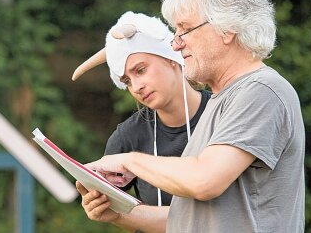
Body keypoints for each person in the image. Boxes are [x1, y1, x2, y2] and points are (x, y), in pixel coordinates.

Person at [77, 0, 305, 233]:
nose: (175, 44)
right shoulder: (223, 100)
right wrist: (114, 213)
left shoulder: (262, 90)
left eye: (185, 28)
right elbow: (184, 219)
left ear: (227, 28)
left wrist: (129, 161)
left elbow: (204, 181)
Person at [72, 11, 210, 207]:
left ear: (170, 57)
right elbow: (118, 209)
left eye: (141, 70)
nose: (136, 87)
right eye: (127, 81)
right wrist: (98, 204)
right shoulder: (127, 137)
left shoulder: (224, 113)